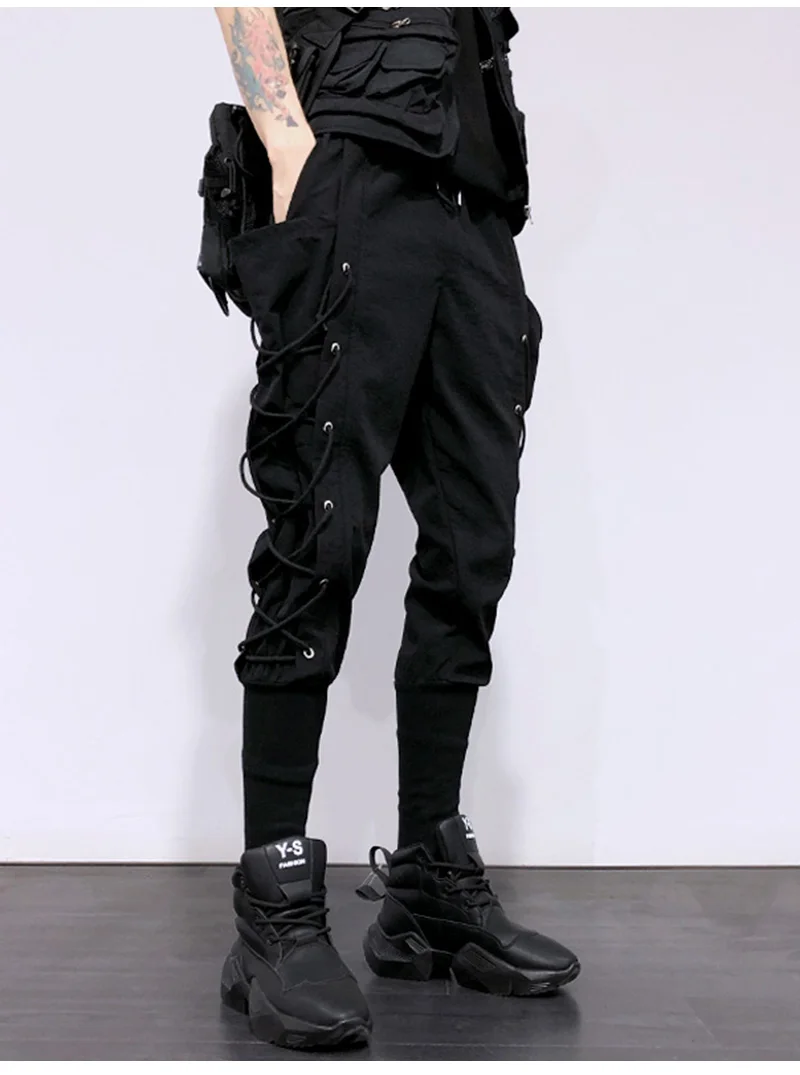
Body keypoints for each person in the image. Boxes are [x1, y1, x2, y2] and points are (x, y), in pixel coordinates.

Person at [205, 6, 580, 1051]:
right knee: (316, 535)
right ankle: (273, 902)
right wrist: (289, 148)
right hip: (350, 173)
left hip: (474, 205)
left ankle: (426, 885)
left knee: (471, 545)